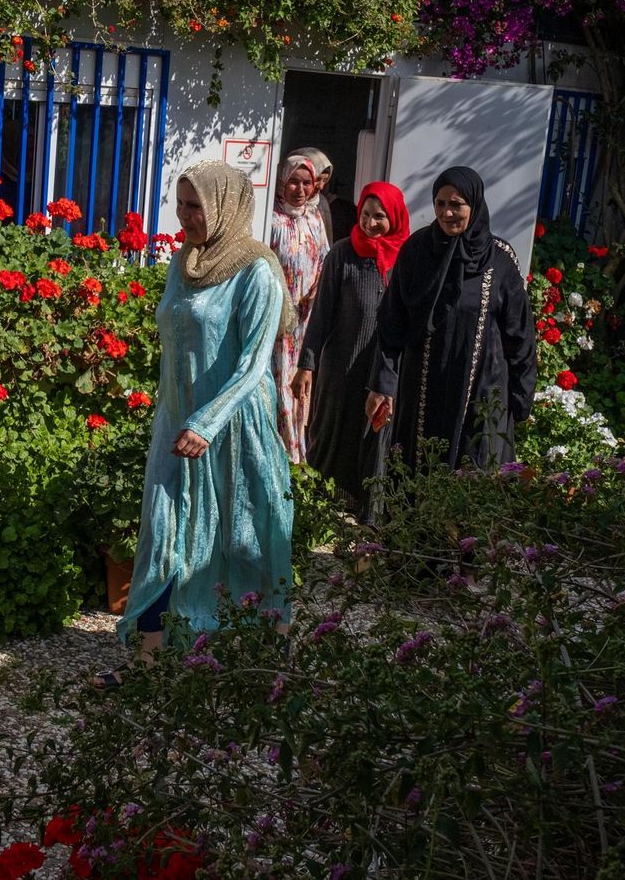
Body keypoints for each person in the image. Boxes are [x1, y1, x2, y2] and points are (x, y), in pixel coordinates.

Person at [93, 161, 295, 688]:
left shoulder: (258, 270)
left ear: (225, 206)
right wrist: (177, 418)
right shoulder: (183, 263)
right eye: (181, 204)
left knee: (244, 543)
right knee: (164, 535)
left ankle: (262, 669)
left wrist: (208, 422)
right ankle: (149, 666)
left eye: (195, 206)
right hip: (177, 424)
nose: (185, 217)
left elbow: (254, 365)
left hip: (234, 431)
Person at [366, 166, 537, 471]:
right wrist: (383, 384)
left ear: (474, 204)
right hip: (423, 392)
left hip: (482, 394)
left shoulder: (500, 259)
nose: (446, 214)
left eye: (456, 205)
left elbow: (520, 335)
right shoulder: (417, 251)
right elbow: (392, 323)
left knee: (474, 480)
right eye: (440, 204)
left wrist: (520, 399)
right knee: (418, 473)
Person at [292, 181, 410, 511]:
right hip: (340, 369)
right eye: (366, 215)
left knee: (374, 440)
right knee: (330, 436)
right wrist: (307, 365)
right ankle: (320, 513)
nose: (371, 224)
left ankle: (367, 516)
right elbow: (321, 317)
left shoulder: (406, 261)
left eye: (380, 217)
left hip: (382, 372)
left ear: (396, 218)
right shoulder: (342, 254)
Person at [268, 154, 330, 464]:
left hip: (308, 320)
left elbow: (324, 263)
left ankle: (301, 451)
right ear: (281, 182)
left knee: (302, 385)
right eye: (293, 181)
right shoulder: (272, 220)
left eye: (306, 182)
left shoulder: (314, 219)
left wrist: (317, 296)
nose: (300, 189)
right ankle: (285, 453)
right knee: (280, 383)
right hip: (280, 320)